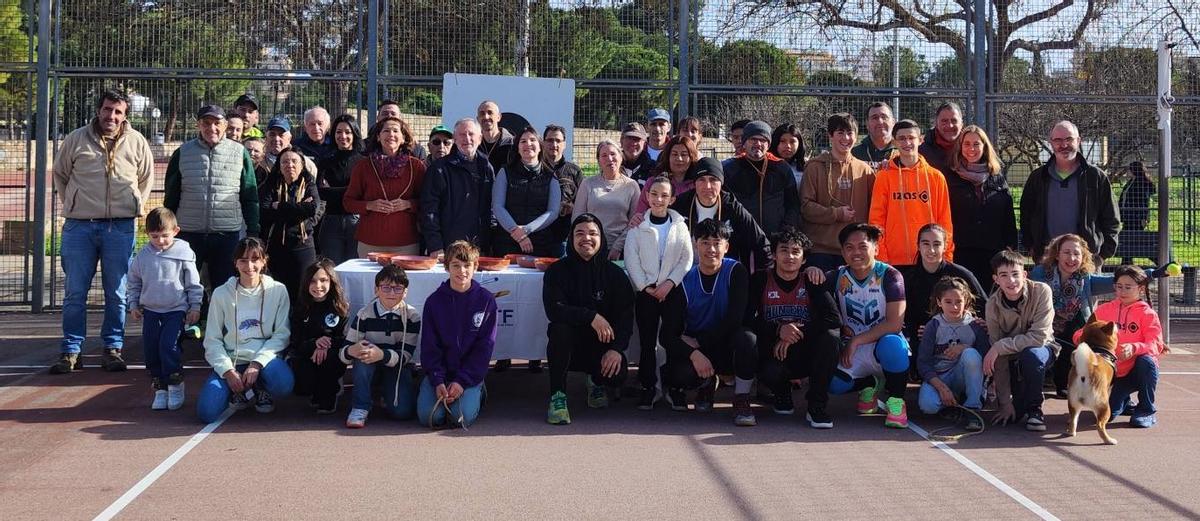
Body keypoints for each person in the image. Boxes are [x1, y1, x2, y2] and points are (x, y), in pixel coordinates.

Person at [50, 90, 154, 374]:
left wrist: (135, 205)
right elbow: (60, 173)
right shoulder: (76, 139)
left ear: (125, 115)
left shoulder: (136, 141)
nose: (112, 116)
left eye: (118, 112)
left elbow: (146, 177)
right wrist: (73, 202)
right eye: (108, 110)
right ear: (99, 110)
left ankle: (112, 348)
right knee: (74, 293)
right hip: (79, 227)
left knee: (117, 293)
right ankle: (71, 350)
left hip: (120, 227)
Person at [658, 219, 758, 426]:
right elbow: (666, 334)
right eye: (705, 242)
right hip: (700, 348)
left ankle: (741, 397)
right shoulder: (684, 280)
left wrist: (698, 343)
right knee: (677, 374)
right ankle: (706, 382)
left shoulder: (735, 272)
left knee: (747, 339)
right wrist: (694, 354)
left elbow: (735, 320)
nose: (711, 249)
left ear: (726, 247)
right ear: (695, 244)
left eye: (716, 243)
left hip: (724, 343)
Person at [543, 215, 635, 424]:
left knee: (617, 376)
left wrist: (617, 349)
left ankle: (595, 380)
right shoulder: (557, 271)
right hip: (570, 346)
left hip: (601, 346)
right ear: (571, 238)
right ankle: (558, 396)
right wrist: (591, 316)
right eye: (580, 233)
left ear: (601, 238)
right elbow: (554, 310)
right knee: (559, 329)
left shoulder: (615, 274)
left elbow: (625, 317)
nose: (587, 238)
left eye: (593, 233)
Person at [748, 228, 841, 428]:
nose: (790, 256)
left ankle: (816, 406)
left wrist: (795, 333)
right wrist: (778, 330)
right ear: (774, 254)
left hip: (804, 351)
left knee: (831, 338)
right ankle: (781, 392)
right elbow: (746, 319)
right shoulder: (760, 280)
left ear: (804, 258)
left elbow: (833, 319)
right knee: (750, 342)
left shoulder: (811, 280)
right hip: (773, 353)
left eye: (796, 251)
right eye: (784, 250)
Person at [197, 237, 294, 423]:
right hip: (232, 361)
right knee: (206, 413)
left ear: (264, 260)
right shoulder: (221, 293)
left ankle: (260, 388)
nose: (249, 266)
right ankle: (235, 390)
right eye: (243, 260)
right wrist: (227, 371)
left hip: (264, 360)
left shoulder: (278, 290)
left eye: (255, 259)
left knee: (283, 384)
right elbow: (212, 340)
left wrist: (257, 363)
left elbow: (282, 334)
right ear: (235, 263)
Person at [1030, 234, 1137, 398]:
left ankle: (1066, 383)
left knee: (1077, 334)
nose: (1072, 258)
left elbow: (1114, 281)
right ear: (1057, 254)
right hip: (1044, 322)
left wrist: (1152, 274)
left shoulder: (1085, 278)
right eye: (1066, 252)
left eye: (1077, 253)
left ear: (1083, 257)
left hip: (1072, 326)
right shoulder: (1039, 274)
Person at [827, 223, 911, 428]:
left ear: (876, 248)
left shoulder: (890, 276)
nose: (856, 252)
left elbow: (894, 323)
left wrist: (856, 340)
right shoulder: (836, 277)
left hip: (881, 346)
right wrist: (811, 270)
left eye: (863, 246)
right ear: (842, 252)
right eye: (849, 247)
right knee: (830, 383)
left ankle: (896, 400)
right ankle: (869, 383)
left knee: (893, 343)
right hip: (853, 348)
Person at [624, 176, 693, 410]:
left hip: (672, 292)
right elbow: (631, 259)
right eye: (654, 194)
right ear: (647, 196)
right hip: (647, 293)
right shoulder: (637, 227)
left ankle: (674, 387)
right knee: (647, 342)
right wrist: (646, 287)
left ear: (672, 199)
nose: (658, 199)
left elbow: (686, 257)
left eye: (664, 195)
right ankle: (649, 387)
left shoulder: (680, 226)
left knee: (671, 340)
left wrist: (670, 283)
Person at [416, 240, 498, 428]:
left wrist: (462, 381)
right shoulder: (433, 302)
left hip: (468, 375)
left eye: (467, 265)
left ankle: (478, 390)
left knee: (460, 418)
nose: (462, 271)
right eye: (456, 265)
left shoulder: (486, 300)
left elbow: (484, 347)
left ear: (475, 266)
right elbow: (429, 345)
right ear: (447, 268)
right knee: (429, 418)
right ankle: (430, 389)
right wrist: (437, 380)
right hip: (440, 374)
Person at [127, 207, 203, 410]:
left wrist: (194, 306)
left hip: (175, 309)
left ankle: (175, 383)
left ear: (176, 231)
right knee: (151, 348)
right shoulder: (142, 257)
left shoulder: (184, 253)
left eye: (165, 236)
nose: (160, 241)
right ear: (147, 234)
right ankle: (160, 387)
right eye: (155, 236)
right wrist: (133, 304)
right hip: (151, 310)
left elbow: (193, 283)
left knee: (168, 346)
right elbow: (134, 282)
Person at [1075, 265, 1164, 428]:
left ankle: (1146, 409)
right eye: (1119, 286)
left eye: (1128, 287)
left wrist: (1134, 348)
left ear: (1141, 289)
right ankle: (1122, 400)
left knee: (1147, 362)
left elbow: (1156, 344)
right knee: (1106, 415)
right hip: (1112, 372)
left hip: (1137, 370)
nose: (1122, 291)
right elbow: (1081, 332)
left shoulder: (1148, 314)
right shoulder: (1104, 309)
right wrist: (1082, 339)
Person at [1020, 120, 1120, 263]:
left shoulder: (1095, 177)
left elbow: (1111, 219)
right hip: (1047, 258)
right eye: (1058, 140)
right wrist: (1031, 246)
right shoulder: (1038, 177)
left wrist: (1102, 255)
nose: (1064, 145)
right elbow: (1026, 215)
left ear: (1078, 140)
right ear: (1051, 142)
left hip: (1086, 259)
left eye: (1069, 139)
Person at [340, 264, 422, 428]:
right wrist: (351, 351)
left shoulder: (412, 317)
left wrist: (381, 355)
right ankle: (360, 406)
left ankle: (385, 392)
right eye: (385, 287)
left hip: (396, 366)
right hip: (369, 363)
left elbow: (405, 356)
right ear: (376, 290)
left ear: (405, 292)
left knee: (402, 413)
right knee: (362, 360)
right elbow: (343, 353)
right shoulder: (364, 314)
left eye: (398, 289)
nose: (391, 293)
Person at [982, 249, 1055, 431]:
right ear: (996, 279)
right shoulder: (992, 305)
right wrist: (1005, 402)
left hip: (1042, 349)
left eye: (1015, 274)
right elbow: (998, 357)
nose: (1011, 280)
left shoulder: (1042, 291)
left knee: (1032, 355)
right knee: (1014, 414)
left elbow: (1039, 337)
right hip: (1010, 356)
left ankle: (1035, 410)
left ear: (1024, 274)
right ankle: (1016, 403)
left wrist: (1000, 346)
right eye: (1004, 275)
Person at [869, 119, 953, 267]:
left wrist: (946, 256)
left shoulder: (936, 177)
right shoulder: (884, 176)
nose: (907, 142)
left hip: (929, 259)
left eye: (911, 138)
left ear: (920, 140)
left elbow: (945, 220)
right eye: (902, 138)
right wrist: (881, 256)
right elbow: (876, 220)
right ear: (894, 142)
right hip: (893, 261)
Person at [901, 224, 986, 372]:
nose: (931, 250)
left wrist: (977, 321)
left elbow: (984, 305)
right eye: (925, 243)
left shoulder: (961, 274)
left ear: (945, 246)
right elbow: (903, 315)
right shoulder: (909, 278)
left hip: (958, 336)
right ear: (918, 246)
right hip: (924, 338)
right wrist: (917, 329)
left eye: (937, 244)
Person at [801, 113, 876, 272]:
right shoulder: (815, 167)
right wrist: (836, 214)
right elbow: (805, 207)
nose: (846, 138)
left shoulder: (865, 170)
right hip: (821, 250)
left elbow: (876, 208)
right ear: (830, 136)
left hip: (855, 252)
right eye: (840, 133)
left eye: (850, 133)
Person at [344, 116, 426, 256]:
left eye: (395, 131)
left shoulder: (416, 166)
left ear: (403, 138)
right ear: (378, 137)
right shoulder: (363, 166)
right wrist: (369, 205)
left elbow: (426, 202)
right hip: (370, 242)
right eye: (386, 131)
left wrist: (408, 204)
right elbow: (348, 202)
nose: (391, 135)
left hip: (406, 243)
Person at [670, 159, 772, 272]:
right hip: (686, 272)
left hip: (723, 272)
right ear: (694, 183)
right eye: (701, 180)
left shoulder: (732, 206)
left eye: (713, 180)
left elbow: (761, 242)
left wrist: (763, 279)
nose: (707, 186)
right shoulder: (680, 204)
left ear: (721, 183)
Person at [916, 277, 990, 432]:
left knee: (971, 354)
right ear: (939, 302)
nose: (954, 306)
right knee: (928, 406)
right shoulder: (933, 325)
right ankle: (952, 402)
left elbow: (985, 356)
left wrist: (964, 347)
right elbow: (923, 362)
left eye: (959, 301)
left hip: (961, 375)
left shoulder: (975, 325)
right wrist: (941, 388)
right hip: (940, 375)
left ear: (966, 302)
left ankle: (973, 407)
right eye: (948, 302)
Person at [947, 125, 1017, 286]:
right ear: (960, 147)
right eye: (967, 144)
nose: (972, 148)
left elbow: (1008, 215)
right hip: (961, 253)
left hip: (993, 253)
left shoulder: (997, 177)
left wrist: (1011, 246)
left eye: (977, 144)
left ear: (985, 147)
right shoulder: (950, 177)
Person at [420, 118, 495, 257]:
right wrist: (435, 245)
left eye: (471, 134)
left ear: (479, 138)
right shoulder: (439, 169)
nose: (467, 138)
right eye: (462, 134)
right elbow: (429, 211)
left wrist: (488, 243)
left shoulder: (486, 167)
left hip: (478, 249)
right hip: (447, 249)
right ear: (455, 138)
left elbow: (491, 208)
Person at [491, 126, 562, 257]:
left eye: (532, 140)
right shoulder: (505, 172)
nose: (528, 144)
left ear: (540, 146)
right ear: (517, 148)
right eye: (523, 141)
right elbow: (497, 206)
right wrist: (516, 232)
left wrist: (526, 230)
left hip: (540, 244)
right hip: (506, 244)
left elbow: (553, 212)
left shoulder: (551, 177)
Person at [259, 148, 320, 300]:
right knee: (278, 289)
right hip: (276, 245)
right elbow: (264, 211)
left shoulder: (309, 185)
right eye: (285, 161)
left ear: (302, 165)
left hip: (303, 245)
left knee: (303, 288)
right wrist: (299, 209)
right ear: (279, 166)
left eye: (294, 161)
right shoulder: (271, 184)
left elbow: (312, 209)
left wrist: (279, 206)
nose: (290, 165)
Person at [290, 259, 349, 414]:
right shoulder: (300, 308)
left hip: (331, 354)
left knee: (329, 358)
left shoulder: (340, 307)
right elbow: (295, 341)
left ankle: (330, 393)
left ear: (332, 281)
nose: (318, 286)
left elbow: (345, 339)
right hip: (307, 352)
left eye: (323, 280)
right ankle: (315, 391)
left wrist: (326, 343)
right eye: (313, 281)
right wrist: (315, 343)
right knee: (302, 385)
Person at [724, 120, 801, 236]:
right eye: (753, 139)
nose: (758, 144)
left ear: (769, 144)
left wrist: (787, 229)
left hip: (774, 237)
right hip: (740, 237)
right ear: (744, 142)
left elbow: (793, 204)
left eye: (763, 140)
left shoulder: (781, 168)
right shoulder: (730, 167)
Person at [572, 140, 639, 260]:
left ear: (621, 157)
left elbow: (634, 223)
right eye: (604, 155)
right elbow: (577, 218)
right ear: (598, 161)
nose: (609, 158)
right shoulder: (588, 184)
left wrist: (618, 247)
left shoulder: (632, 186)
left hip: (620, 251)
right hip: (591, 248)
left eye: (613, 154)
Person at [315, 114, 364, 264]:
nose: (343, 136)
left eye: (347, 132)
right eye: (338, 132)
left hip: (357, 221)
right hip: (331, 222)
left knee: (354, 267)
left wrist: (334, 190)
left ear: (354, 134)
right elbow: (321, 192)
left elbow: (364, 193)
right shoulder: (325, 161)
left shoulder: (364, 162)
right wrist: (351, 190)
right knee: (332, 268)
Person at [633, 134, 698, 216]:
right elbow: (640, 213)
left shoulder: (697, 184)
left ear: (691, 157)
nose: (679, 158)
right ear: (668, 157)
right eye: (674, 154)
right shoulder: (652, 182)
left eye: (684, 154)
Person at [542, 124, 583, 252]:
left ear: (564, 144)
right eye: (550, 140)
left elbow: (583, 202)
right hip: (538, 236)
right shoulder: (536, 169)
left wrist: (572, 208)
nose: (554, 144)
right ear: (543, 143)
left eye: (558, 141)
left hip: (564, 237)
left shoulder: (574, 171)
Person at [917, 101, 962, 176]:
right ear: (936, 124)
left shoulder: (971, 148)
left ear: (961, 123)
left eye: (954, 121)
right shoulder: (921, 151)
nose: (949, 125)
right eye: (944, 121)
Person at [851, 101, 896, 171]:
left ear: (893, 122)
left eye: (884, 117)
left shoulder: (902, 152)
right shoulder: (855, 154)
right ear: (867, 124)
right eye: (875, 118)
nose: (880, 122)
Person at [476, 100, 513, 173]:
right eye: (482, 114)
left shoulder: (512, 144)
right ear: (477, 119)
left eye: (490, 113)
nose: (486, 117)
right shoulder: (473, 144)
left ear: (499, 117)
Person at [1119, 161, 1156, 232]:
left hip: (1136, 215)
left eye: (1129, 170)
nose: (1127, 172)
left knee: (1133, 235)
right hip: (1128, 214)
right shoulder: (1131, 181)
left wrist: (1143, 217)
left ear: (1133, 170)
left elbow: (1144, 201)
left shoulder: (1141, 183)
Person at [770, 123, 806, 187]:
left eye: (792, 142)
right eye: (782, 141)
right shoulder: (765, 166)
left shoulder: (807, 167)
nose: (788, 146)